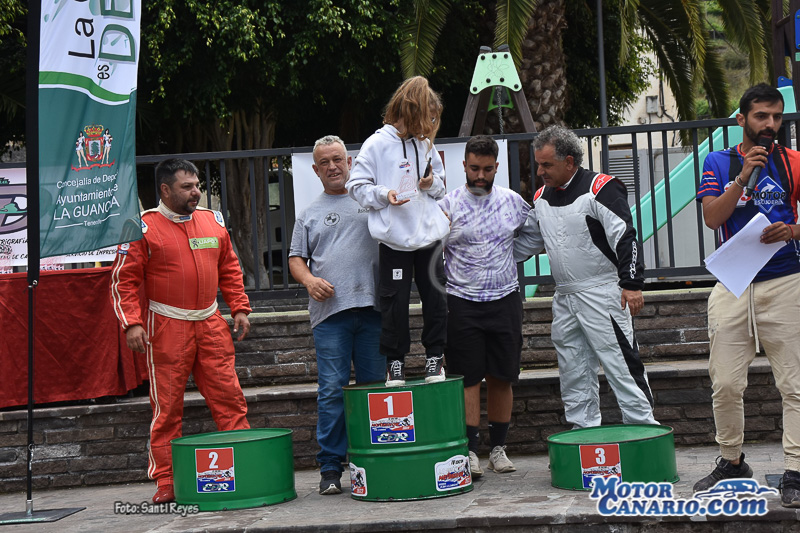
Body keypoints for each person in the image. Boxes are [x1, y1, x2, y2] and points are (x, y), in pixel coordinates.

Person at [110, 159, 251, 504]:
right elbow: (123, 281)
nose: (196, 192)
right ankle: (166, 480)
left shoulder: (212, 220)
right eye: (187, 187)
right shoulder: (140, 227)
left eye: (197, 185)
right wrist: (132, 323)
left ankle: (246, 465)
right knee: (167, 409)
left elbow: (229, 267)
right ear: (165, 190)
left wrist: (240, 307)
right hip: (166, 327)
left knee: (230, 399)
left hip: (211, 323)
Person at [693, 83, 800, 506]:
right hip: (732, 283)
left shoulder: (793, 162)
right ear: (742, 120)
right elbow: (712, 217)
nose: (770, 124)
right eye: (761, 116)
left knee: (794, 384)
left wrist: (792, 230)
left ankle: (795, 471)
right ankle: (732, 461)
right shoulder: (718, 162)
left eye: (776, 116)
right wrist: (741, 178)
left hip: (785, 280)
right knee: (725, 382)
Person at [514, 125, 656, 429]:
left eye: (546, 164)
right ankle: (583, 434)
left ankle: (645, 431)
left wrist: (632, 284)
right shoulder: (541, 197)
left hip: (604, 292)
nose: (539, 171)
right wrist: (486, 255)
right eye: (538, 164)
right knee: (573, 371)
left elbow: (625, 236)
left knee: (621, 365)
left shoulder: (601, 188)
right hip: (564, 296)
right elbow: (528, 243)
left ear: (569, 162)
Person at [289, 135, 385, 495]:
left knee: (374, 390)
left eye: (338, 159)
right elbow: (296, 259)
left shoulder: (373, 202)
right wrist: (309, 280)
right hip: (330, 316)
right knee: (331, 391)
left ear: (350, 162)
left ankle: (374, 459)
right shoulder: (309, 214)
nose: (332, 167)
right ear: (315, 170)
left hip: (374, 311)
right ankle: (330, 468)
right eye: (325, 162)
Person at [346, 76, 450, 386]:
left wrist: (432, 184)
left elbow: (441, 187)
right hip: (394, 241)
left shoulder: (426, 144)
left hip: (429, 238)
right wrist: (384, 194)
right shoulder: (376, 144)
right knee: (394, 303)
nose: (430, 124)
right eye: (427, 116)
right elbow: (356, 186)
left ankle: (435, 357)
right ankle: (395, 362)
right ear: (412, 110)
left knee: (436, 298)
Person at [439, 135, 530, 477]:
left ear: (497, 167)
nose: (480, 175)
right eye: (474, 168)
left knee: (502, 377)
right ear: (464, 165)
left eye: (487, 169)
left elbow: (534, 233)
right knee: (467, 379)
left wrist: (511, 256)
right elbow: (431, 250)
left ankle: (498, 450)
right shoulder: (447, 205)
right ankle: (470, 452)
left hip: (505, 299)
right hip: (461, 302)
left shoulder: (512, 202)